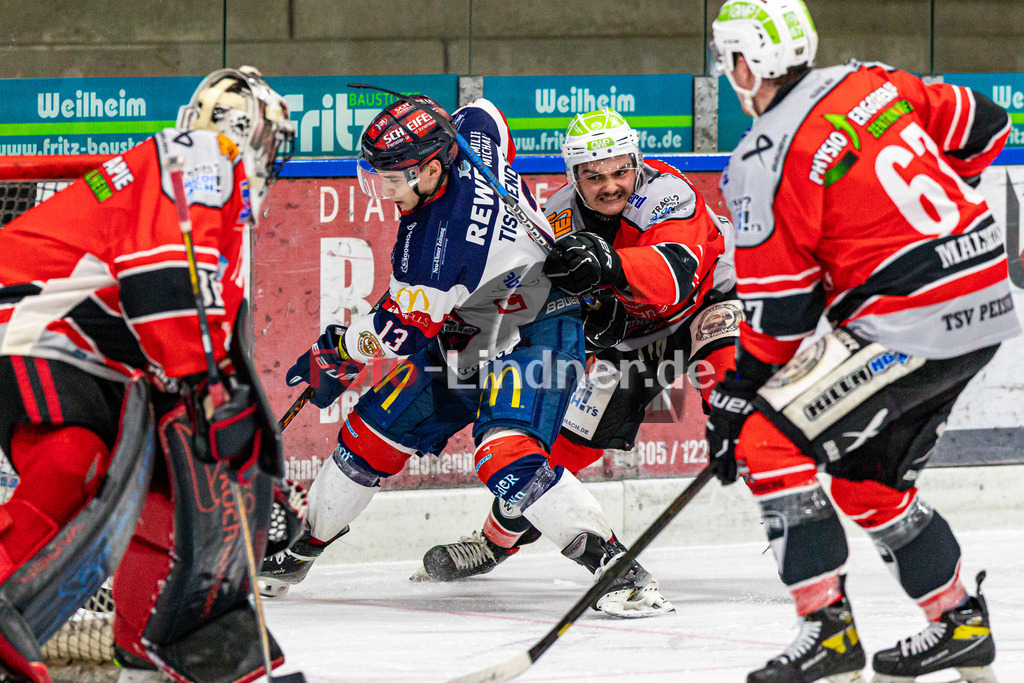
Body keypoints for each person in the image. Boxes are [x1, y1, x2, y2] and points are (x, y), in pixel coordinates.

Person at [257, 95, 673, 618]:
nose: (385, 190)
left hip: (538, 327)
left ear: (432, 170)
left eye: (394, 178)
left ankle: (621, 573)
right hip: (470, 326)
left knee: (507, 455)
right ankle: (298, 553)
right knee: (368, 435)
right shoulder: (475, 139)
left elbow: (398, 333)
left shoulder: (436, 249)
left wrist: (337, 350)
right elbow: (486, 110)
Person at [708, 1, 1015, 681]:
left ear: (745, 65)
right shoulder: (873, 81)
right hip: (986, 300)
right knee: (866, 484)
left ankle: (828, 632)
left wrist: (734, 397)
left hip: (909, 317)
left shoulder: (763, 156)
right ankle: (959, 621)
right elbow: (989, 124)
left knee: (766, 442)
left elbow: (781, 317)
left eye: (728, 59)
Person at [0, 67, 297, 682]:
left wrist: (255, 468)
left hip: (85, 342)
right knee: (73, 455)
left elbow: (203, 337)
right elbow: (162, 282)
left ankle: (151, 643)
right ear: (254, 133)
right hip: (29, 313)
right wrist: (209, 389)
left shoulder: (205, 195)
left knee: (164, 479)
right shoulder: (204, 154)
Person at [413, 108, 740, 590]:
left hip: (706, 308)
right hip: (635, 338)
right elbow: (546, 299)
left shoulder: (668, 194)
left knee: (743, 416)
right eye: (594, 176)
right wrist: (588, 316)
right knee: (561, 451)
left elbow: (673, 274)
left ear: (636, 162)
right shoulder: (556, 217)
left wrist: (609, 268)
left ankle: (796, 531)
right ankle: (494, 541)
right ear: (573, 176)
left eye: (620, 171)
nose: (611, 185)